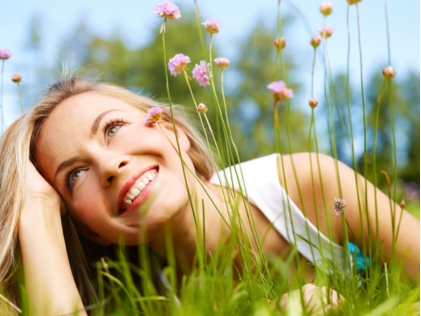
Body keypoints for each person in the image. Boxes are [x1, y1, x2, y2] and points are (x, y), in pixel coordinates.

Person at [0, 77, 419, 315]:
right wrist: (34, 208)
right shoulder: (146, 301)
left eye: (112, 128)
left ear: (173, 131)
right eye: (75, 175)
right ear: (91, 232)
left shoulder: (309, 185)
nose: (109, 167)